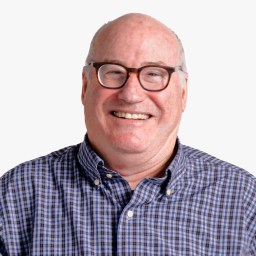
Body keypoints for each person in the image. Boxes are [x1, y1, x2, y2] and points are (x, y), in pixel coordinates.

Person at [0, 12, 256, 255]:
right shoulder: (14, 196)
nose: (131, 94)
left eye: (154, 74)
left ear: (183, 93)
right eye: (113, 72)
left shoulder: (244, 200)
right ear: (85, 86)